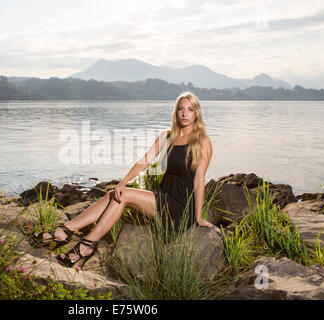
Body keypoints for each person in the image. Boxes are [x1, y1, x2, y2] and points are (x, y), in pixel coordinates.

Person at [33, 91, 214, 269]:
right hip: (163, 196)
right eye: (181, 109)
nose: (184, 113)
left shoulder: (202, 141)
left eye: (190, 109)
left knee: (123, 196)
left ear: (196, 113)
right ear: (175, 112)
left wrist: (198, 217)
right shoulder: (166, 136)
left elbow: (199, 181)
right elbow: (143, 162)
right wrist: (122, 182)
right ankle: (65, 231)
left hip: (181, 207)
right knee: (114, 194)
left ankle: (85, 243)